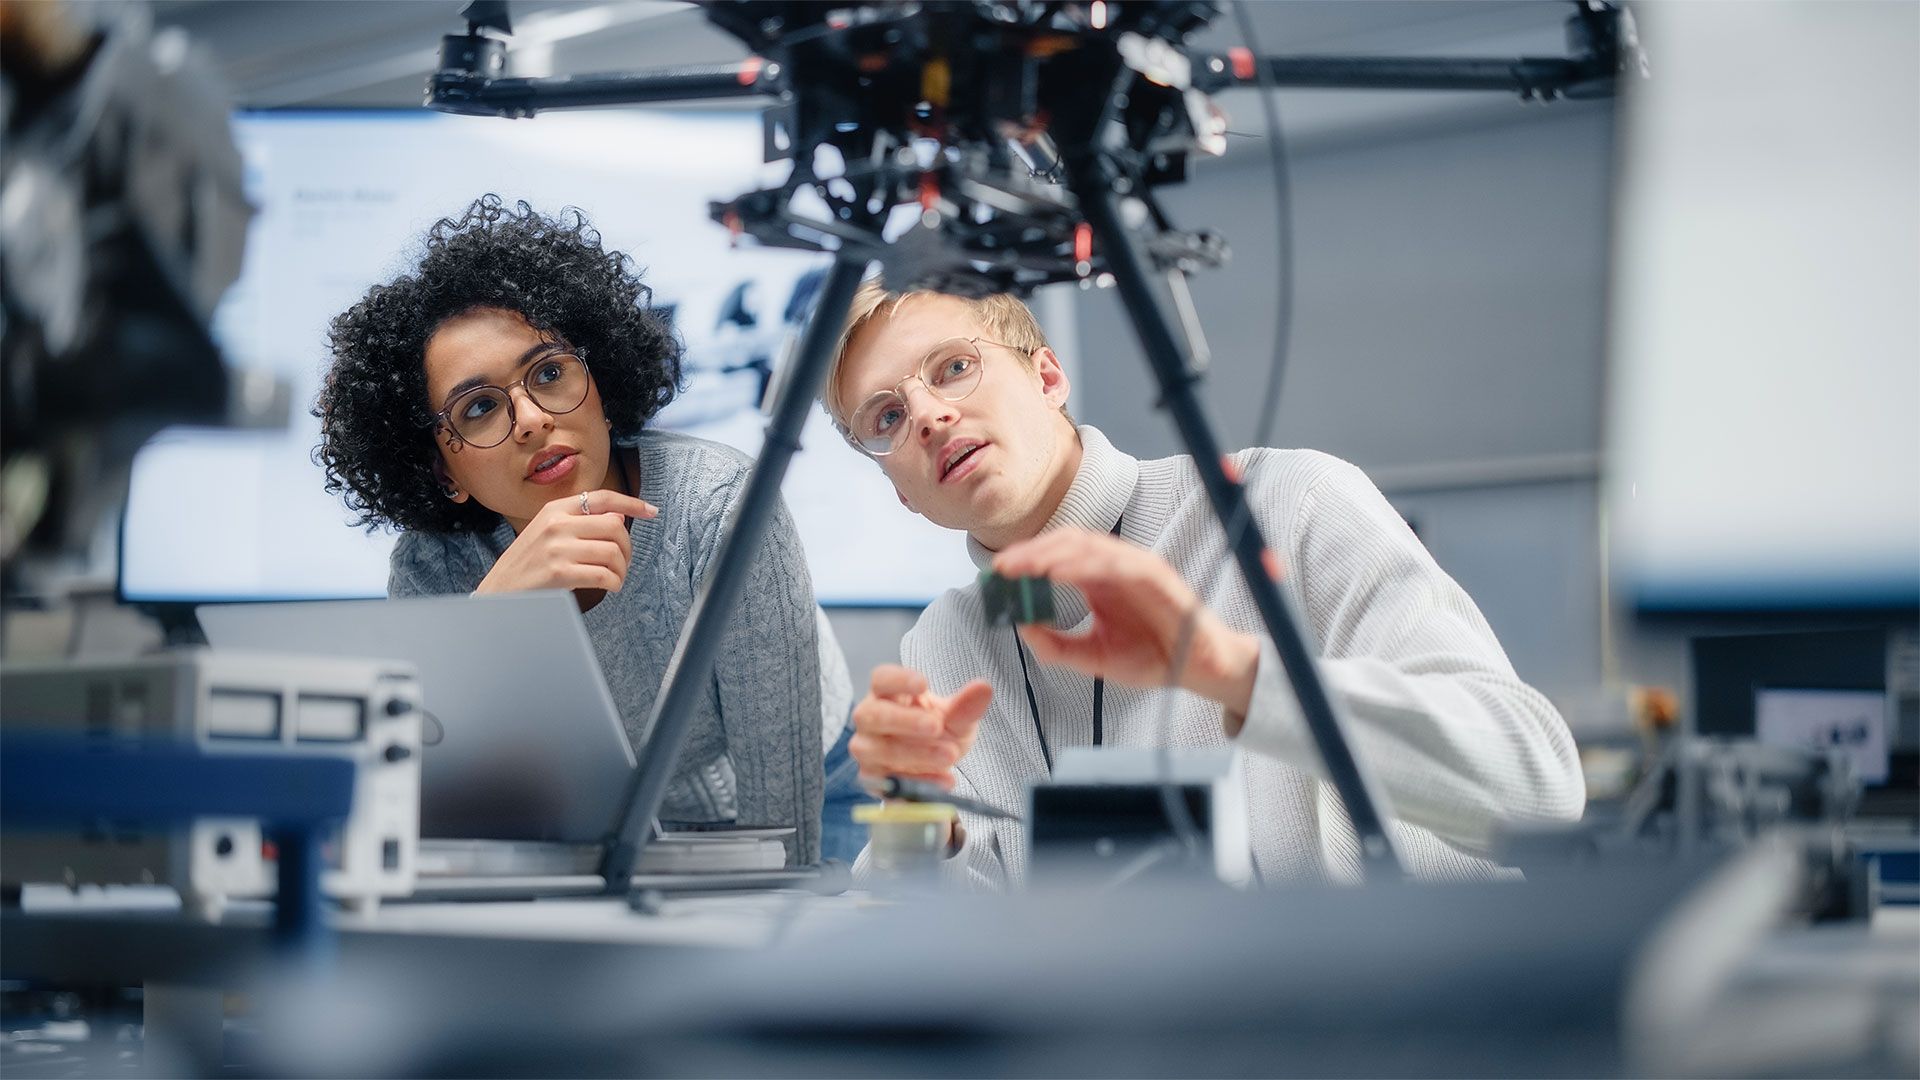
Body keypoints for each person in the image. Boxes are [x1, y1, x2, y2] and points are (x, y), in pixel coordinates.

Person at [827, 281, 1586, 887]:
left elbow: (1538, 783)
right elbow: (940, 934)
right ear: (899, 491)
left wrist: (1229, 672)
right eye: (886, 417)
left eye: (954, 367)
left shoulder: (1290, 501)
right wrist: (918, 814)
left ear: (1048, 375)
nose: (927, 414)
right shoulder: (948, 639)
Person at [314, 195, 857, 865]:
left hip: (816, 791)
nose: (533, 419)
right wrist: (491, 616)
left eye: (549, 373)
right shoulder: (436, 569)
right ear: (442, 469)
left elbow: (786, 843)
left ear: (601, 387)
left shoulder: (719, 504)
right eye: (480, 407)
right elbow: (431, 806)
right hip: (614, 826)